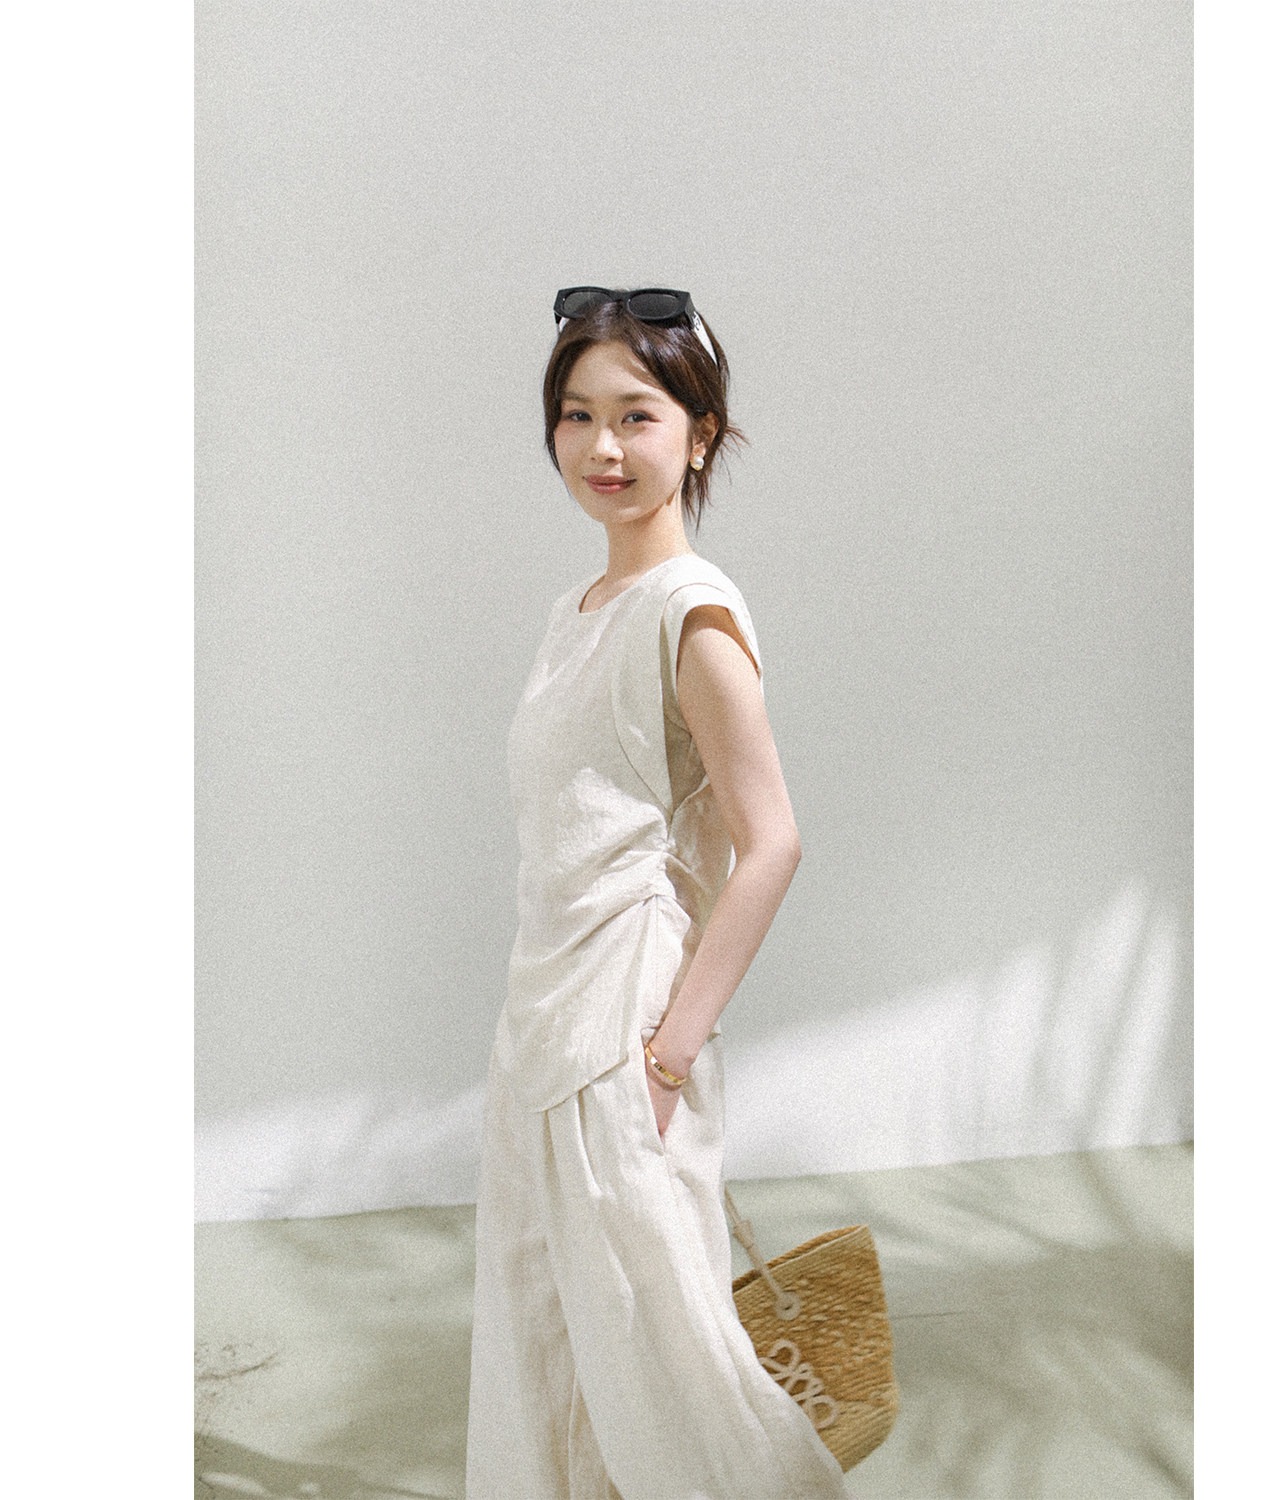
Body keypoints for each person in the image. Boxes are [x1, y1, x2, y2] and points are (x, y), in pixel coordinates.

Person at [464, 288, 851, 1500]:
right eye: (576, 415)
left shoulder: (693, 615)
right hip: (541, 1020)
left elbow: (772, 841)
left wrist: (670, 1052)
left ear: (700, 432)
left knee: (668, 1357)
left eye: (636, 415)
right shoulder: (578, 612)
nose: (602, 447)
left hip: (623, 1027)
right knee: (555, 1337)